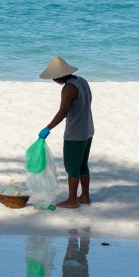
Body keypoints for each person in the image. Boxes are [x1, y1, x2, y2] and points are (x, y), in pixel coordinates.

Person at [38, 56, 94, 209]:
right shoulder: (81, 81)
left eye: (55, 76)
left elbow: (63, 112)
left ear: (62, 74)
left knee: (72, 167)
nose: (54, 79)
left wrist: (48, 128)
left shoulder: (68, 88)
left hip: (75, 134)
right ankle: (85, 196)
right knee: (83, 164)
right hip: (88, 129)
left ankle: (72, 200)